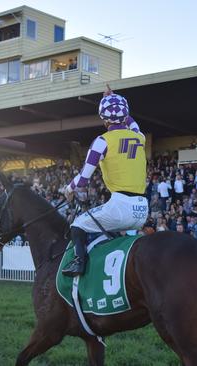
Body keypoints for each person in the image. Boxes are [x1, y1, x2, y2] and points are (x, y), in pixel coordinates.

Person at [62, 86, 149, 277]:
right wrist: (116, 101)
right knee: (110, 232)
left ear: (103, 119)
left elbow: (84, 178)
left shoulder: (102, 141)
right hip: (142, 209)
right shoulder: (139, 137)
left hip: (120, 207)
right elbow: (131, 123)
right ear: (125, 116)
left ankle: (79, 264)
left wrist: (68, 189)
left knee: (77, 225)